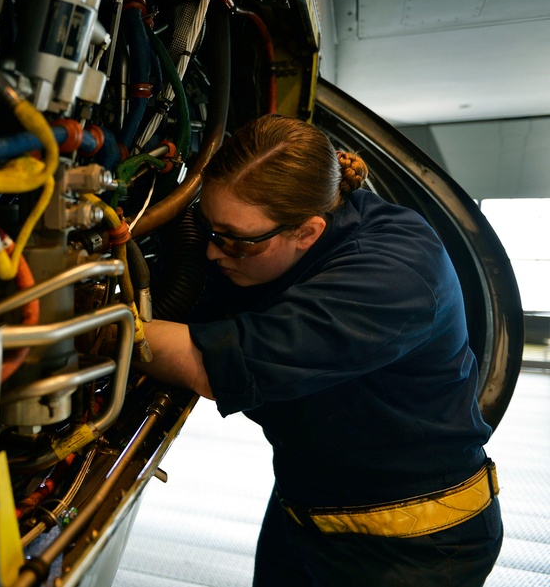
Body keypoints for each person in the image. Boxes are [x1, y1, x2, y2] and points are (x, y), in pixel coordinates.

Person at [137, 114, 503, 586]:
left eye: (236, 240)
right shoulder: (275, 239)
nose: (213, 251)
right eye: (209, 228)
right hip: (302, 508)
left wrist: (84, 330)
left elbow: (214, 365)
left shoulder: (393, 275)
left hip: (413, 544)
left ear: (307, 232)